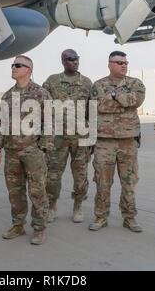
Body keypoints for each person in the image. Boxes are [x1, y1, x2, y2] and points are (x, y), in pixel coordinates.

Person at [0, 55, 53, 245]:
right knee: (15, 191)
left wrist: (43, 148)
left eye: (18, 65)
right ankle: (18, 224)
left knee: (37, 191)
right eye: (12, 65)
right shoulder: (8, 95)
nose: (13, 68)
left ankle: (39, 228)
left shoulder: (41, 94)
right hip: (11, 152)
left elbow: (50, 123)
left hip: (32, 151)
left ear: (29, 70)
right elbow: (1, 122)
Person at [89, 51, 145, 232]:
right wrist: (122, 101)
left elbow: (135, 101)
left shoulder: (135, 83)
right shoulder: (98, 85)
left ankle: (130, 218)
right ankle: (100, 217)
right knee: (102, 182)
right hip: (104, 142)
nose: (124, 65)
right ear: (109, 64)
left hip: (128, 141)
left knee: (129, 182)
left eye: (126, 62)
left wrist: (113, 96)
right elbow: (98, 106)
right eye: (119, 62)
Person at [42, 49, 92, 223]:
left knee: (81, 175)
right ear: (63, 61)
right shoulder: (52, 81)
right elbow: (43, 107)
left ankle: (78, 206)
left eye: (76, 59)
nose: (75, 62)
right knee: (53, 175)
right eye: (70, 59)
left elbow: (91, 112)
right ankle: (51, 205)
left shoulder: (86, 83)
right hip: (57, 137)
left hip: (80, 137)